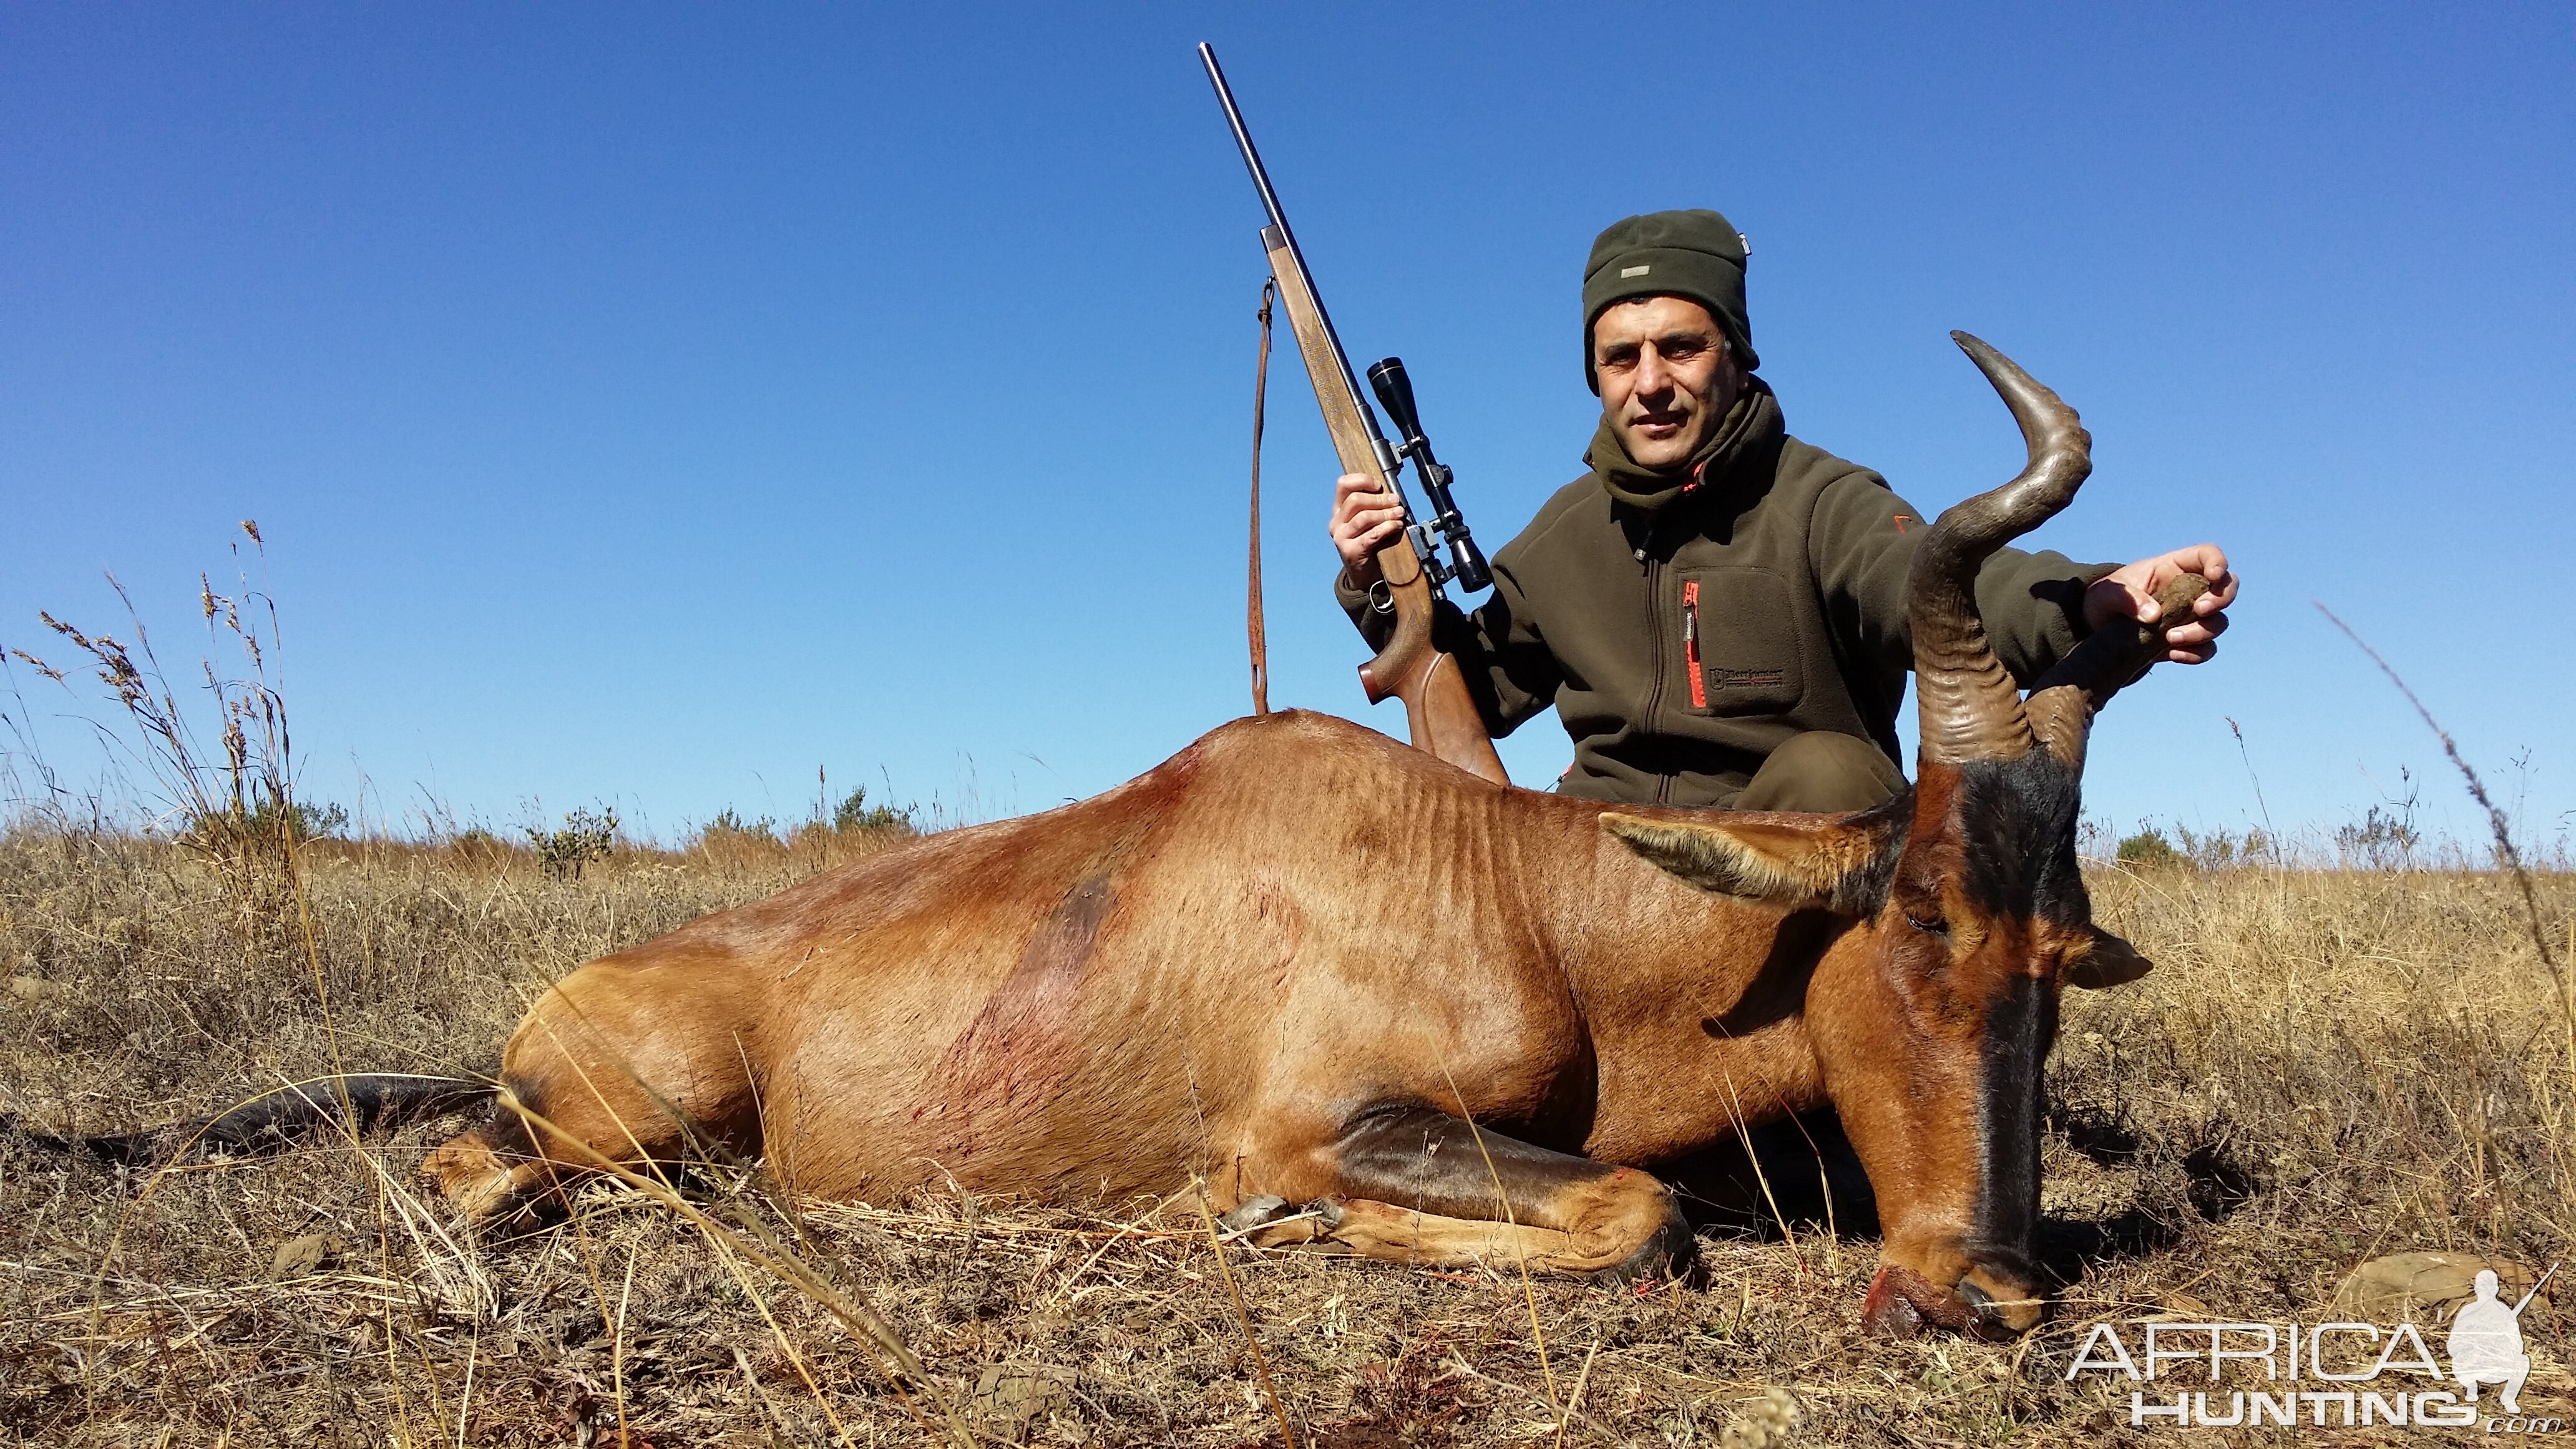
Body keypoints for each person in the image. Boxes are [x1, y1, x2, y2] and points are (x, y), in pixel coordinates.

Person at [1329, 208, 2238, 810]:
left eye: (1680, 348)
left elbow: (1932, 579)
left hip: (1780, 889)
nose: (1650, 384)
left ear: (1736, 355)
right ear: (1595, 375)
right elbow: (1471, 701)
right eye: (1621, 358)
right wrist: (1378, 588)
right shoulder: (1564, 533)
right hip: (1599, 883)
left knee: (1836, 773)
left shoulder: (1821, 500)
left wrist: (2089, 596)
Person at [2447, 1268, 2532, 1413]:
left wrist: (2498, 1344)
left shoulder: (2504, 1312)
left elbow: (2517, 1345)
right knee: (2523, 1361)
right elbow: (2454, 1346)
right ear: (2496, 1289)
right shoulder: (2470, 1311)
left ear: (2476, 1289)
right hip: (2473, 1366)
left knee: (2523, 1361)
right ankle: (2472, 1388)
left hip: (2494, 1367)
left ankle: (2508, 1398)